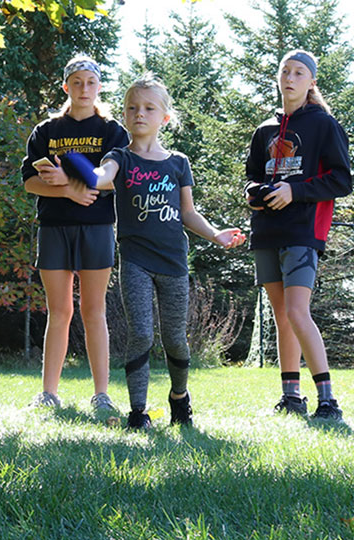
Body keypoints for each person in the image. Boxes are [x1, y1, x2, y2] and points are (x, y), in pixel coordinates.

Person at [90, 74, 245, 429]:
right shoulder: (120, 157)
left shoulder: (178, 162)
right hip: (135, 261)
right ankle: (138, 412)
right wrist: (77, 167)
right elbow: (101, 177)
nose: (139, 114)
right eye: (132, 108)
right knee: (141, 333)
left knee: (175, 338)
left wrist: (216, 235)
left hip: (174, 261)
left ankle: (179, 398)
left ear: (164, 118)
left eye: (148, 108)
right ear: (124, 115)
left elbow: (188, 212)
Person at [244, 50, 352, 420]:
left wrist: (295, 190)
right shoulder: (264, 131)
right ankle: (291, 398)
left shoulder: (324, 125)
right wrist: (254, 194)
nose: (290, 78)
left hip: (303, 231)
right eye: (285, 71)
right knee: (281, 315)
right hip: (267, 231)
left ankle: (328, 401)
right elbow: (253, 176)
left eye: (299, 73)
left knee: (296, 311)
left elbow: (342, 179)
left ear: (311, 83)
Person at [21, 55, 129, 412]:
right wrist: (68, 191)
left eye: (91, 82)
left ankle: (102, 395)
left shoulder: (113, 131)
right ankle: (48, 393)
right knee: (59, 311)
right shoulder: (46, 131)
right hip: (54, 228)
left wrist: (75, 181)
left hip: (98, 228)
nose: (84, 89)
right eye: (77, 82)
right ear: (66, 87)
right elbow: (31, 182)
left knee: (93, 310)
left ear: (99, 87)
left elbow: (117, 178)